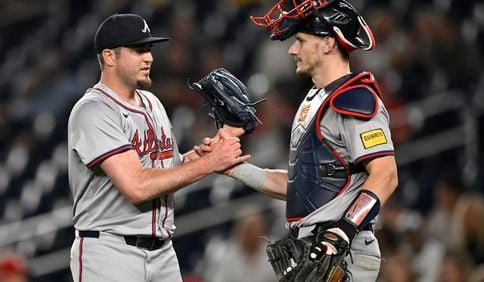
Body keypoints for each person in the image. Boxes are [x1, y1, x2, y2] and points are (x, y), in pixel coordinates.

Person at [198, 0, 398, 280]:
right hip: (320, 246)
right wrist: (232, 168)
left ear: (328, 43)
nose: (292, 50)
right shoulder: (313, 100)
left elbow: (386, 175)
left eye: (301, 41)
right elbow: (301, 184)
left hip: (343, 250)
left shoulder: (355, 98)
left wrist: (344, 230)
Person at [67, 13, 249, 282]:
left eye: (149, 49)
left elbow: (167, 172)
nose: (149, 57)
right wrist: (207, 164)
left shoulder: (152, 102)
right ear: (109, 57)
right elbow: (137, 186)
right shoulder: (93, 110)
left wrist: (205, 156)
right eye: (138, 50)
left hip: (163, 252)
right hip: (110, 253)